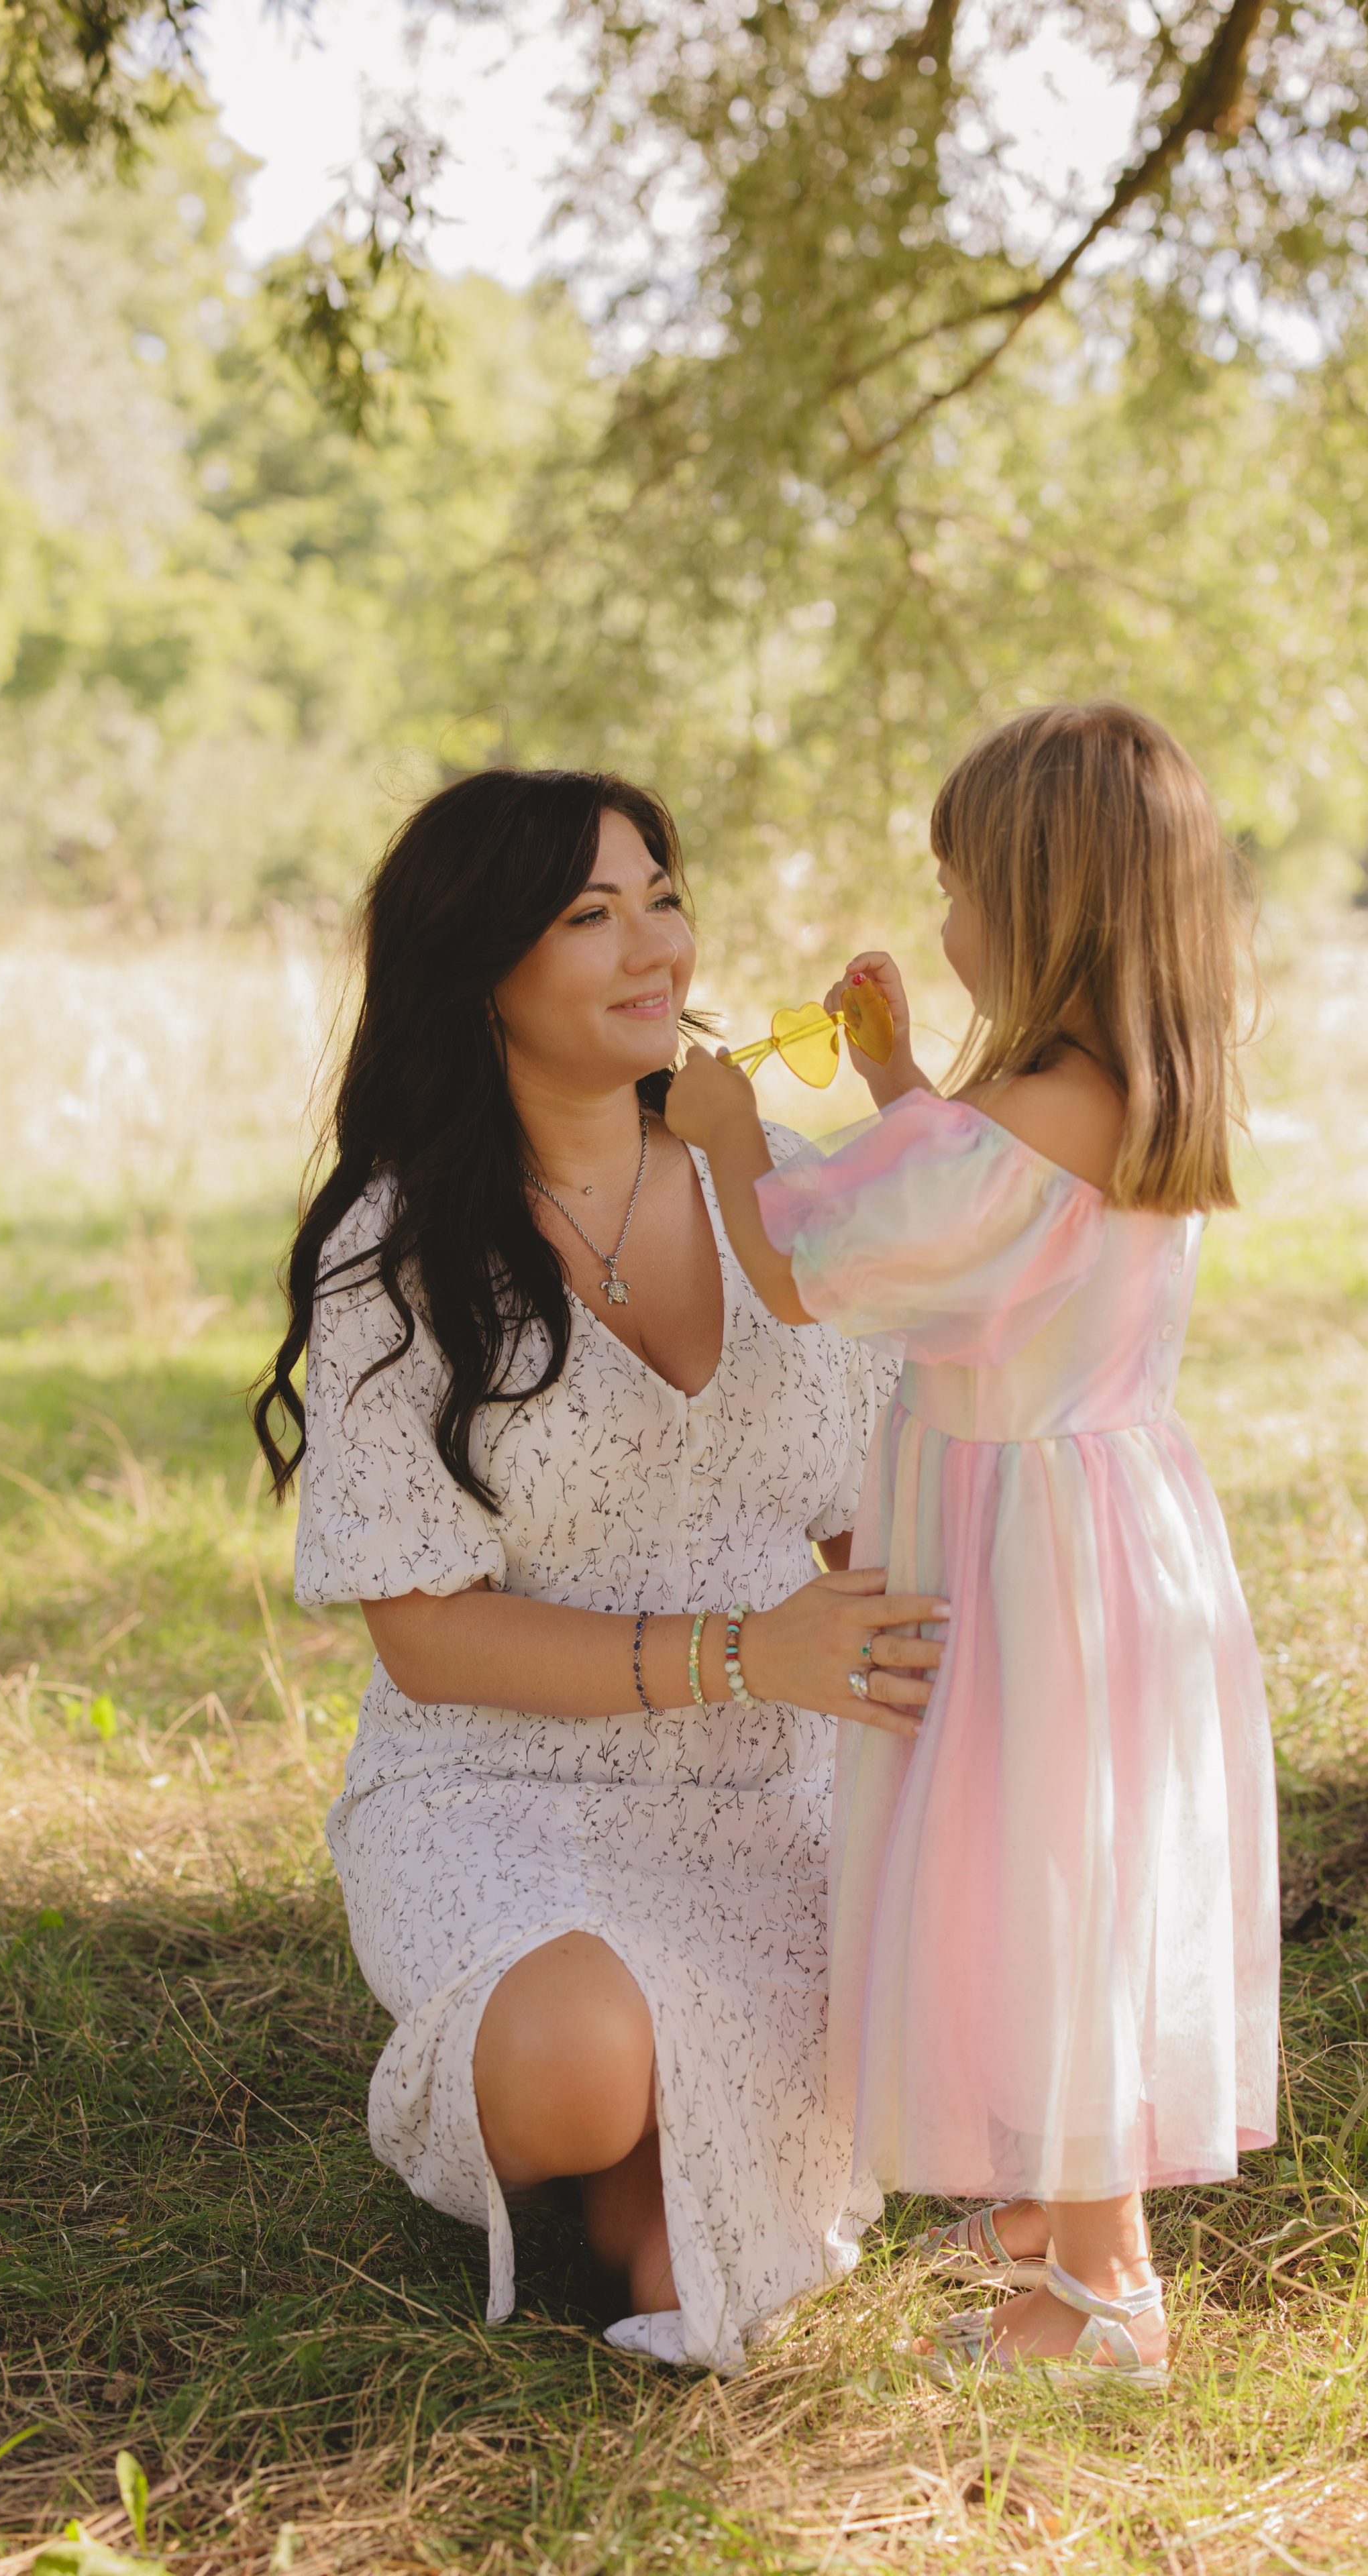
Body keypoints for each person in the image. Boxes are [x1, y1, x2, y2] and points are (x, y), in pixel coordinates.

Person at [250, 767, 948, 2373]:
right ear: (480, 968)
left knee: (690, 2241)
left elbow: (866, 1508)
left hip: (774, 1792)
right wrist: (736, 1652)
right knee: (579, 2049)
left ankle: (651, 2197)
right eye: (588, 917)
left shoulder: (751, 1157)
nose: (656, 950)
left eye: (662, 899)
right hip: (498, 1792)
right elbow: (426, 1640)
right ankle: (563, 2099)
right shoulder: (398, 1247)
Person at [664, 702, 1279, 2388]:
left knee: (1039, 1893)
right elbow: (983, 1243)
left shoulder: (1030, 1117)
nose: (940, 919)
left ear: (1037, 897)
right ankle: (1057, 2221)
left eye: (956, 885)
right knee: (1059, 1879)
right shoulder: (1104, 1096)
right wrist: (890, 1077)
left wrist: (730, 1142)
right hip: (1096, 1525)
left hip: (1024, 1555)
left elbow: (822, 1266)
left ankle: (1100, 2298)